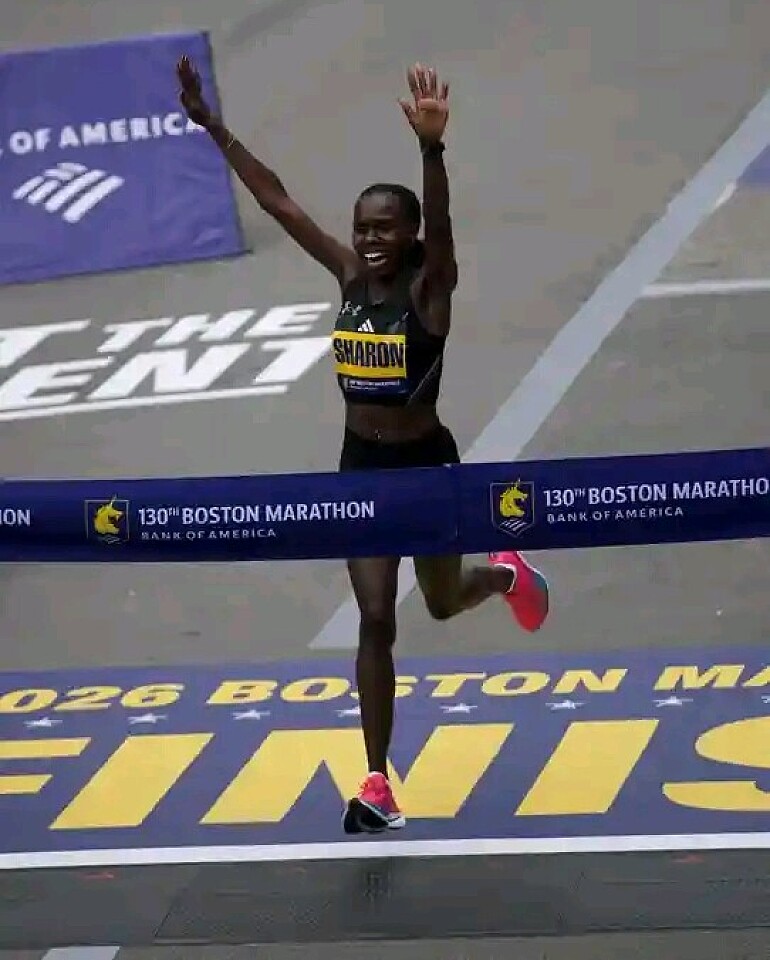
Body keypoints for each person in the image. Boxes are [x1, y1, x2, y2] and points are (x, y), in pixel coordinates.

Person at [176, 56, 550, 834]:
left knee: (440, 604)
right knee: (375, 618)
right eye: (362, 227)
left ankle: (500, 577)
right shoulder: (349, 279)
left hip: (427, 469)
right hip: (362, 472)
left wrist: (432, 151)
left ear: (411, 235)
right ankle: (377, 782)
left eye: (385, 228)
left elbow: (443, 229)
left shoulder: (430, 291)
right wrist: (214, 128)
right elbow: (279, 201)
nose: (369, 239)